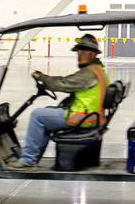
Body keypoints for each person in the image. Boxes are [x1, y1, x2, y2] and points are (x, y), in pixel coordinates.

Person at [7, 34, 107, 170]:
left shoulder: (89, 73)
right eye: (79, 51)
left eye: (83, 51)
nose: (79, 55)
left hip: (82, 117)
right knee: (47, 114)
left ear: (93, 54)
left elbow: (63, 83)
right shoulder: (99, 71)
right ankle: (33, 157)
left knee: (37, 115)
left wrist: (43, 78)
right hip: (90, 115)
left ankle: (28, 159)